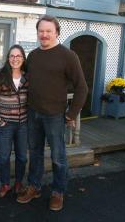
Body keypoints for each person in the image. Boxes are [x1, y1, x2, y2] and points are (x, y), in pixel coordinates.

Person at [16, 15, 88, 211]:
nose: (44, 35)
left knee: (58, 156)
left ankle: (58, 191)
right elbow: (23, 78)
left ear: (56, 32)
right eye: (41, 31)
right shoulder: (33, 56)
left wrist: (71, 114)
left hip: (55, 116)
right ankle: (34, 186)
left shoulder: (68, 56)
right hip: (33, 113)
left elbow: (82, 88)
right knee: (36, 154)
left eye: (48, 31)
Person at [0, 44, 29, 198]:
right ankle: (5, 184)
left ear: (23, 58)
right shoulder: (0, 76)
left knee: (22, 157)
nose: (15, 59)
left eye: (18, 56)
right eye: (12, 56)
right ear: (8, 58)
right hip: (5, 125)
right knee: (4, 157)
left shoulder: (27, 76)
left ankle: (18, 183)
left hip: (23, 124)